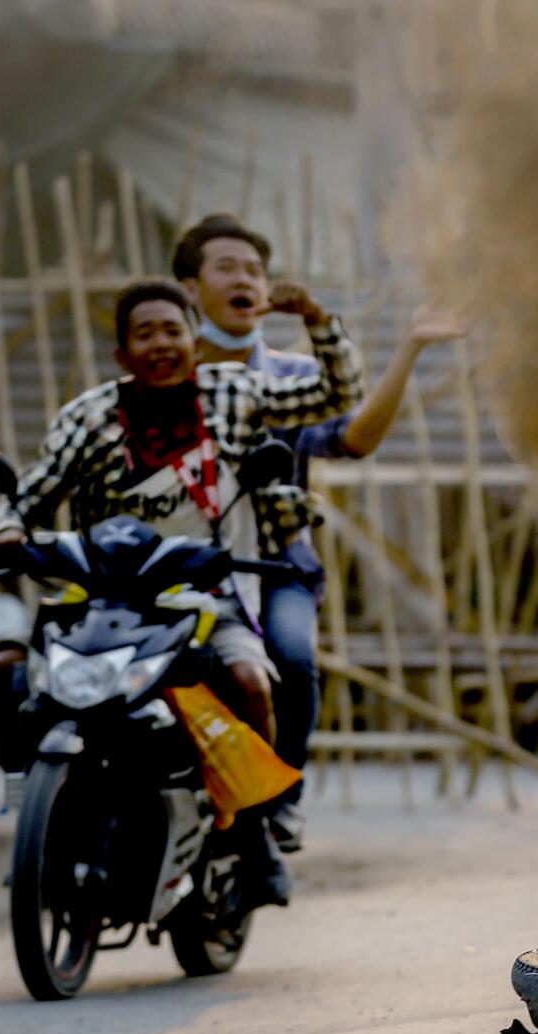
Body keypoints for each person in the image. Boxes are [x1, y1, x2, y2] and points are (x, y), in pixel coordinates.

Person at [0, 277, 362, 909]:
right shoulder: (88, 415)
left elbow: (335, 394)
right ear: (123, 355)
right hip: (94, 601)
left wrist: (317, 316)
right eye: (144, 335)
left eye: (172, 331)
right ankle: (40, 813)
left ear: (195, 343)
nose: (160, 345)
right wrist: (8, 529)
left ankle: (253, 828)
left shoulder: (234, 393)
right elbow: (32, 492)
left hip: (204, 599)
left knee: (252, 683)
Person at [172, 214, 468, 851]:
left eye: (254, 269)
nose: (244, 279)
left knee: (294, 656)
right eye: (227, 267)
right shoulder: (164, 375)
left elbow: (354, 433)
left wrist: (411, 345)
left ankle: (283, 799)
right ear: (190, 286)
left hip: (274, 562)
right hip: (177, 561)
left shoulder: (287, 379)